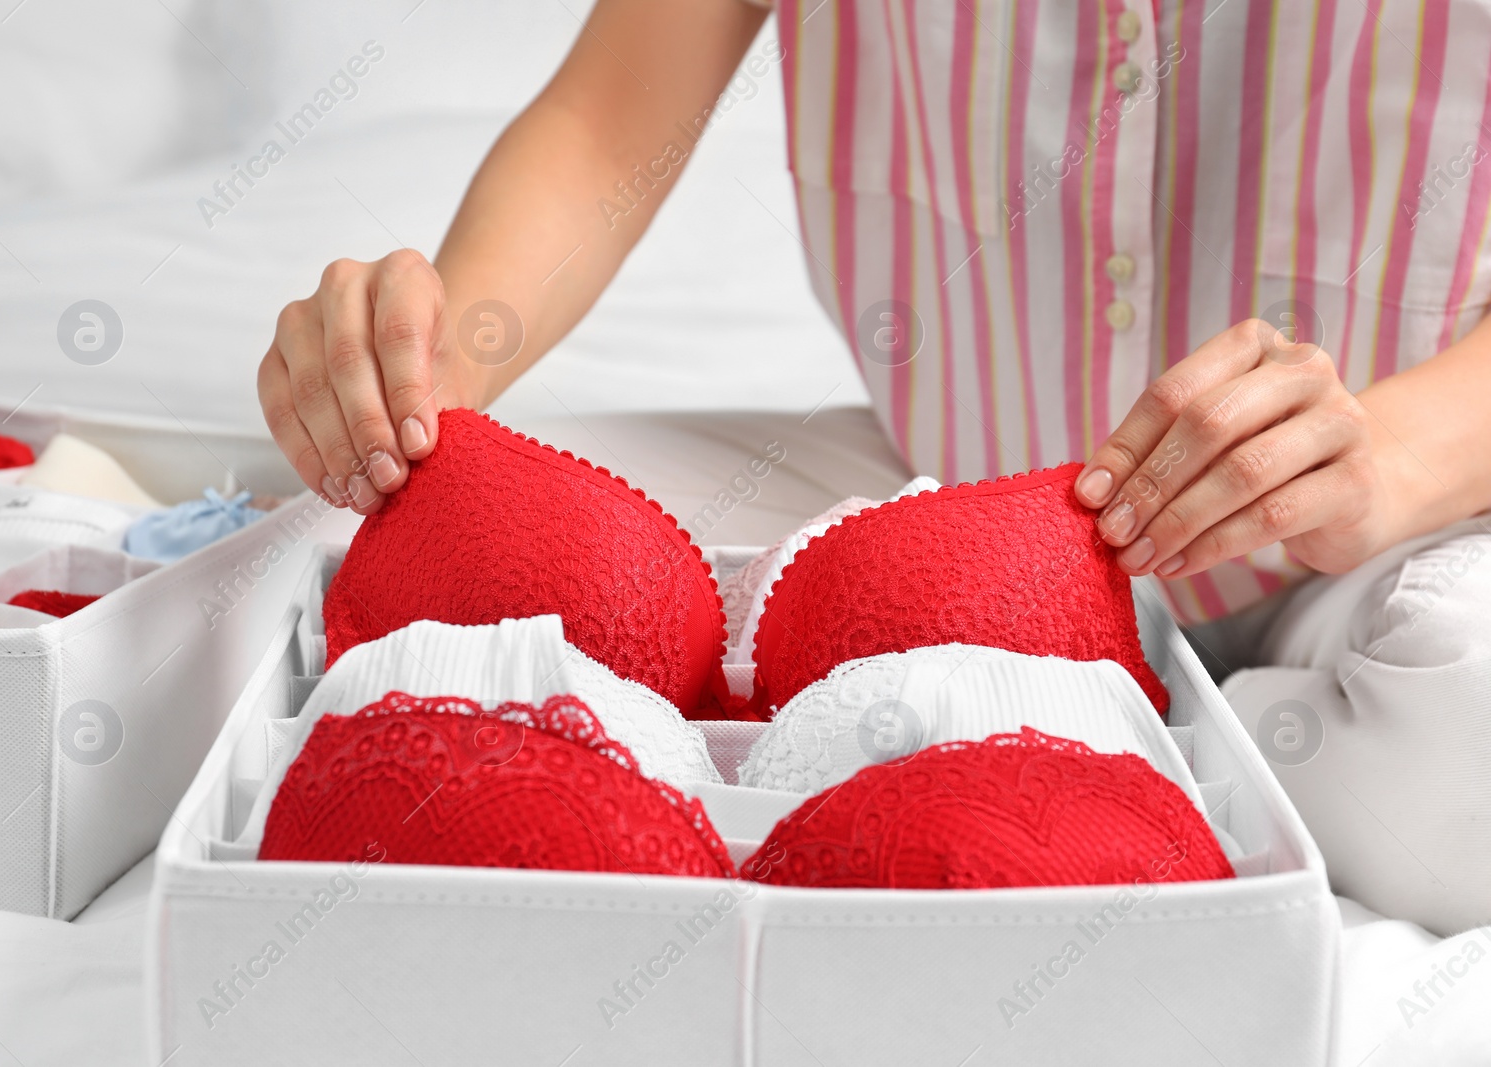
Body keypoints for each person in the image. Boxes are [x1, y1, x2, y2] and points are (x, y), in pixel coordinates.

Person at [257, 0, 1491, 933]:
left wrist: (1387, 458)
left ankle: (1177, 741)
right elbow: (603, 123)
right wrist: (425, 369)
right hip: (928, 505)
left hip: (1393, 523)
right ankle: (945, 727)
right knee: (326, 551)